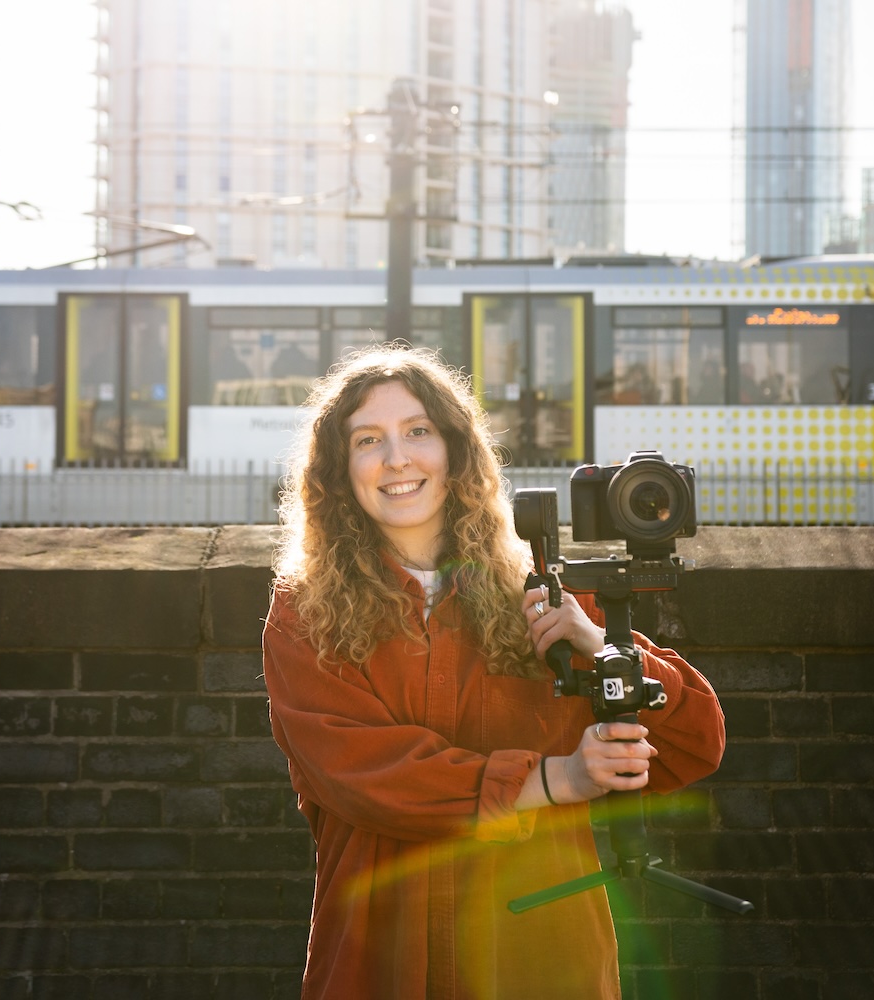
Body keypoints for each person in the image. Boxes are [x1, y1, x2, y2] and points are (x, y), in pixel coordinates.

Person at [262, 345, 725, 1000]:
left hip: (541, 960)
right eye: (369, 440)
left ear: (455, 450)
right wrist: (555, 779)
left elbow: (692, 743)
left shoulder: (543, 591)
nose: (397, 458)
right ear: (340, 472)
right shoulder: (304, 612)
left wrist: (599, 645)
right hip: (380, 966)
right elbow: (364, 775)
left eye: (418, 431)